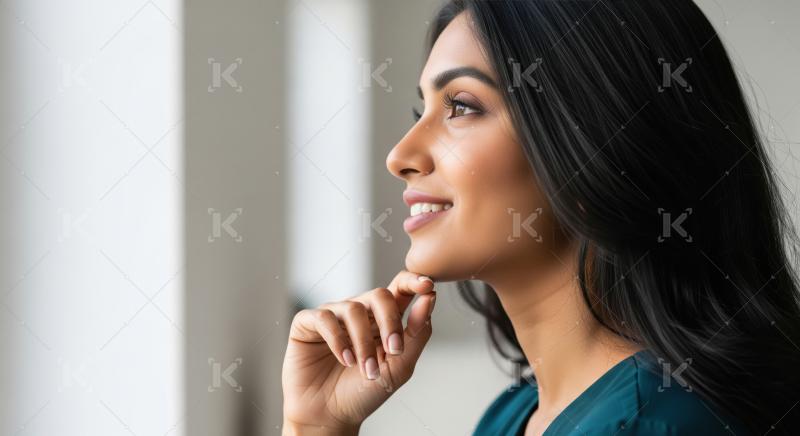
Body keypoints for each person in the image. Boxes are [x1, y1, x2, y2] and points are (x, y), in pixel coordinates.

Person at [282, 1, 800, 434]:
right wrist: (318, 424)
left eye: (461, 106)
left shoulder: (650, 425)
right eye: (423, 112)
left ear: (595, 146)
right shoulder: (515, 415)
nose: (400, 156)